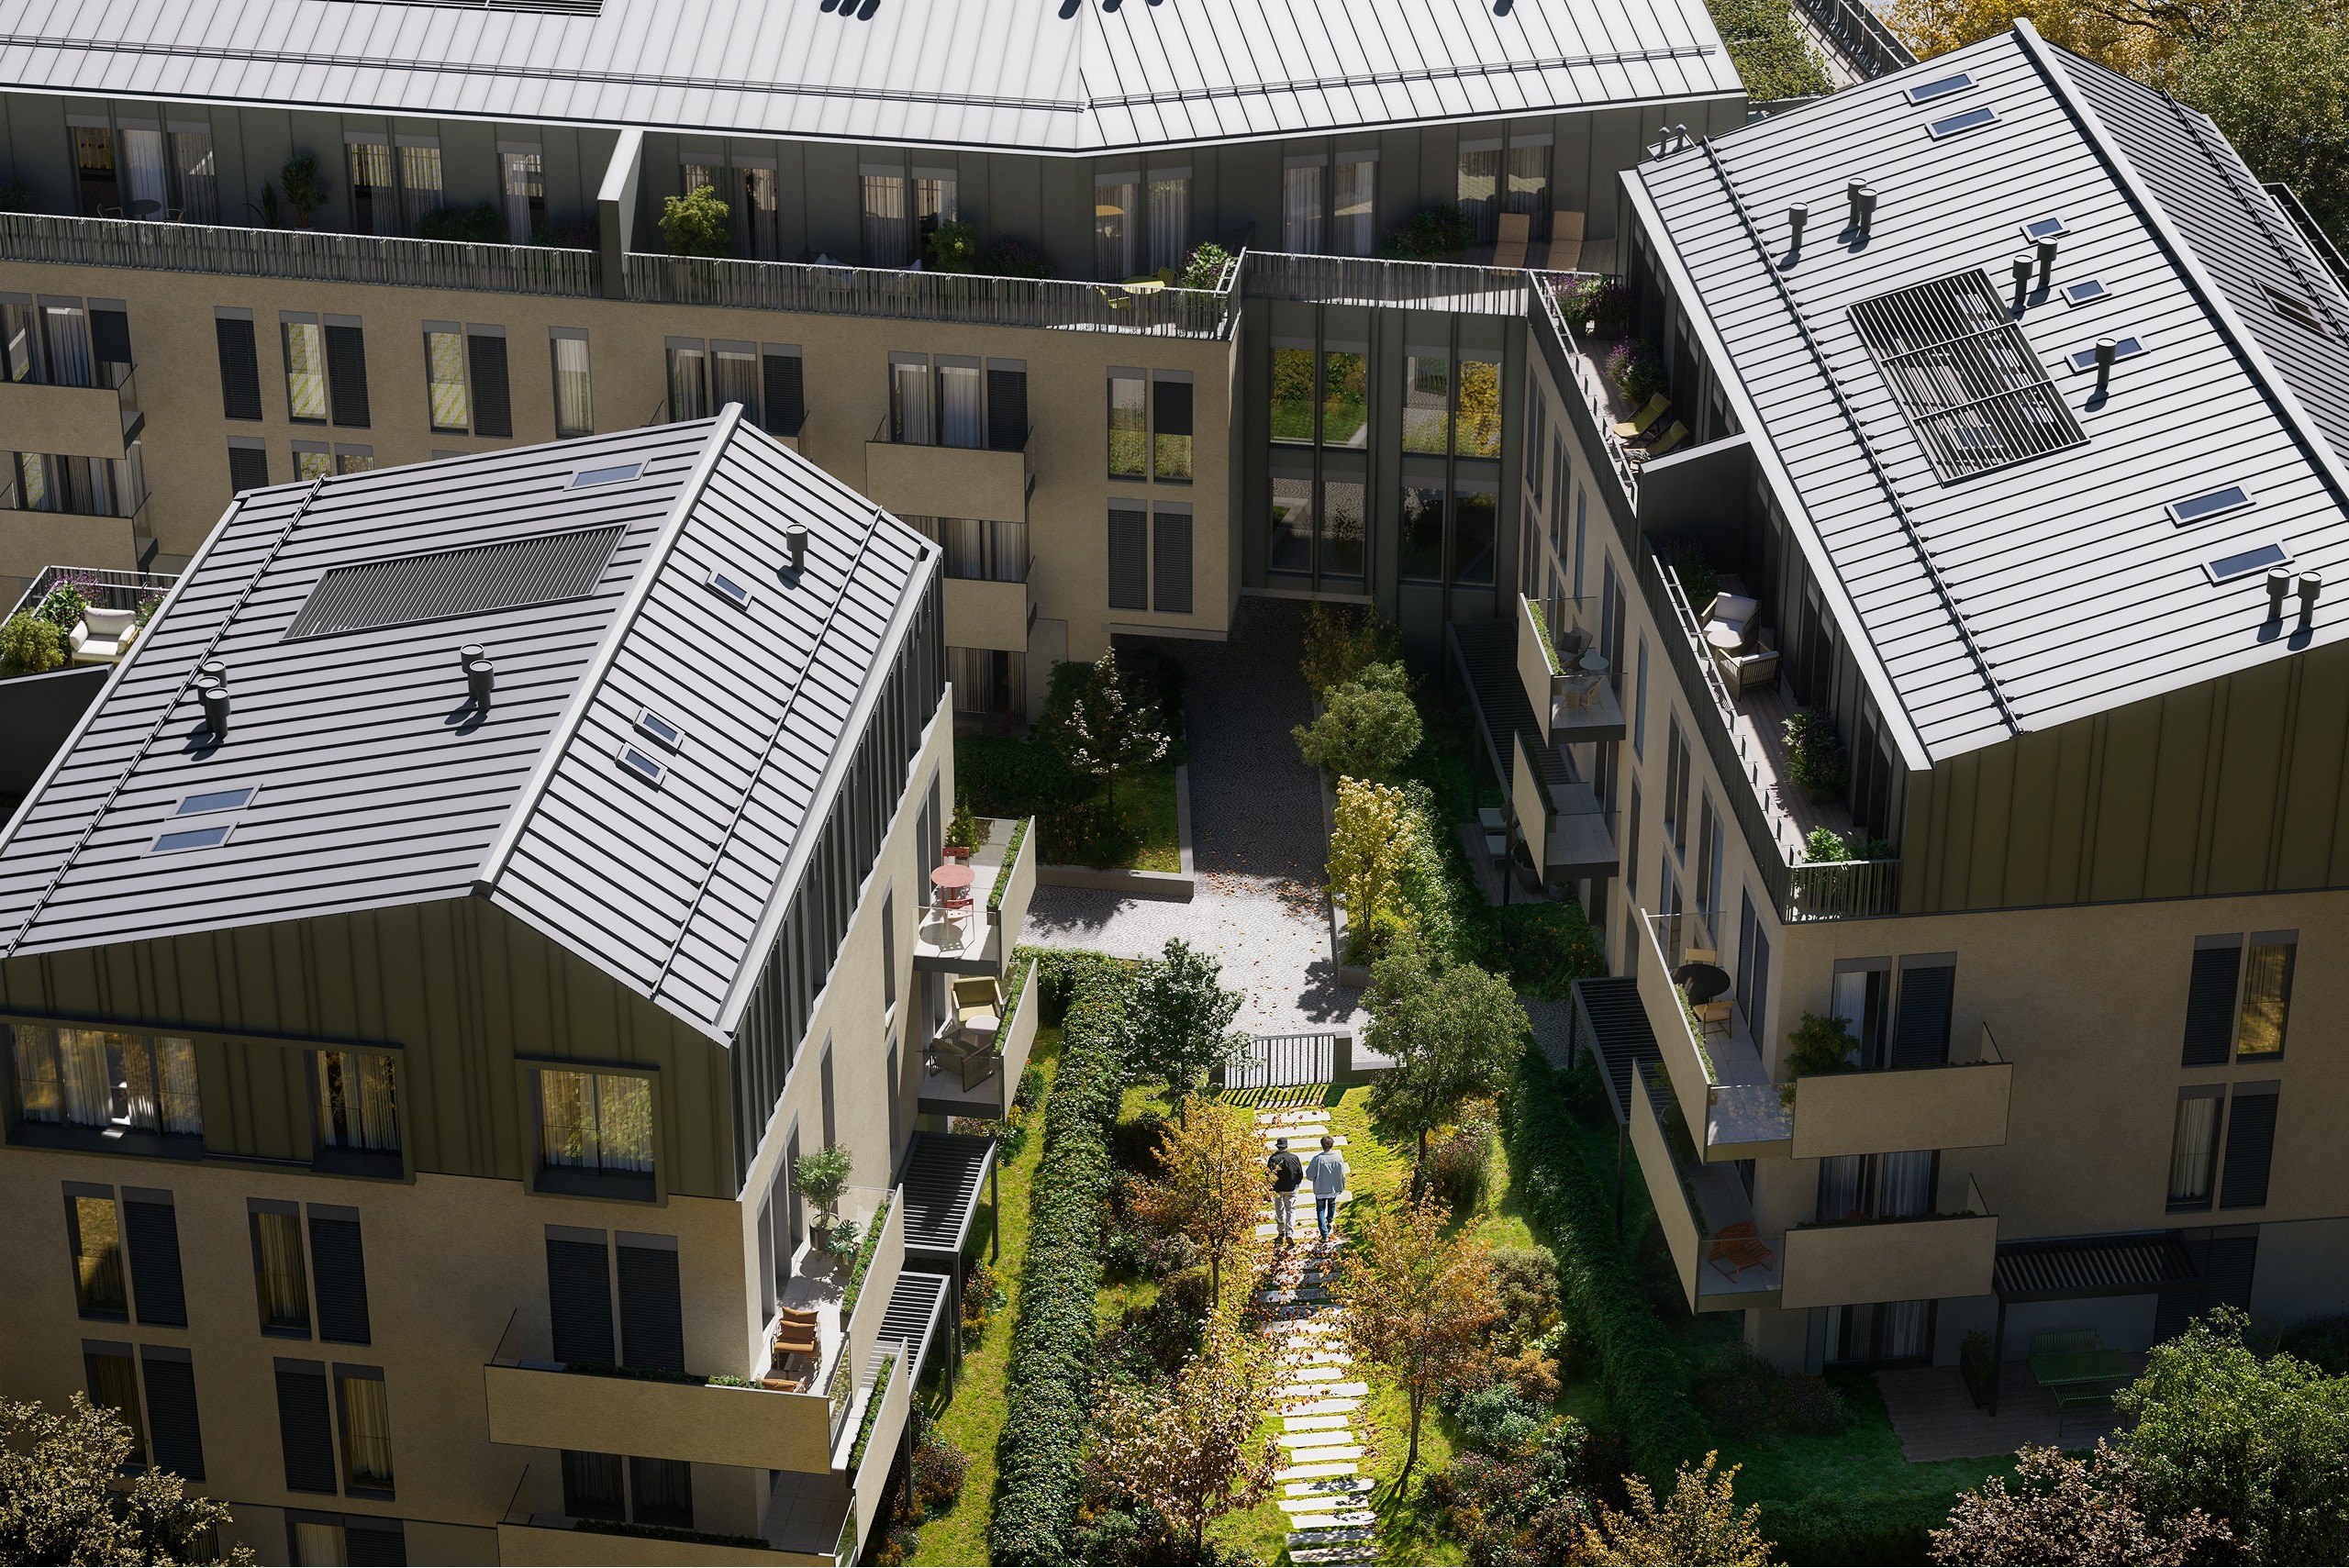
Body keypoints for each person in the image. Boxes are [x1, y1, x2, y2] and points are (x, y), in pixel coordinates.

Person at [1306, 1133, 1348, 1244]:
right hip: (1333, 1188)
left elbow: (1310, 1175)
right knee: (1332, 1203)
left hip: (1321, 1189)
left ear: (1322, 1145)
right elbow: (1342, 1174)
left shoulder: (1317, 1159)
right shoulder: (1338, 1158)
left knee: (1320, 1210)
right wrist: (1342, 1185)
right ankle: (1330, 1220)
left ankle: (1324, 1235)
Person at [1266, 1137, 1304, 1244]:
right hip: (1291, 1188)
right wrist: (1296, 1183)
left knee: (1279, 1208)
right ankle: (1290, 1232)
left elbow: (1268, 1175)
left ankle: (1281, 1230)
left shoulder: (1273, 1158)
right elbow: (1300, 1173)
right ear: (1286, 1146)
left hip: (1278, 1189)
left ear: (1277, 1147)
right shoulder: (1294, 1158)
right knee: (1290, 1209)